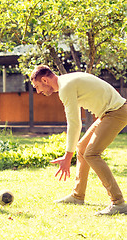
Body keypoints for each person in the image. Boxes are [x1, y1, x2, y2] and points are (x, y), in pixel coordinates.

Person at [30, 65, 127, 216]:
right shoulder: (67, 80)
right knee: (82, 148)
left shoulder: (65, 87)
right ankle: (77, 196)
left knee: (91, 154)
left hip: (116, 112)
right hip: (110, 112)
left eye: (37, 86)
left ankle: (118, 202)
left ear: (45, 80)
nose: (38, 91)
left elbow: (75, 123)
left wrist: (67, 157)